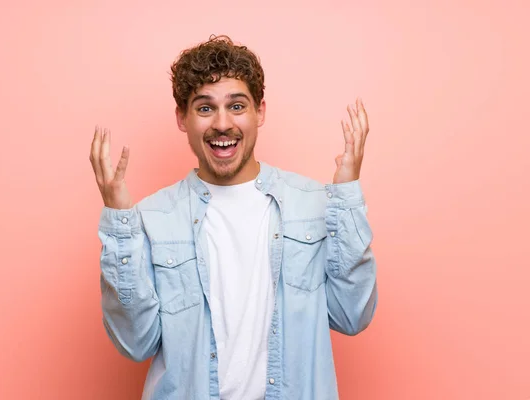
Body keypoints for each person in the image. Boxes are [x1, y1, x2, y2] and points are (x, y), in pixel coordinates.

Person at [90, 35, 378, 400]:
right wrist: (119, 225)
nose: (222, 124)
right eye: (205, 108)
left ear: (260, 111)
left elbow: (352, 315)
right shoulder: (150, 218)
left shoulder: (316, 204)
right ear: (183, 118)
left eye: (237, 106)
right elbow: (136, 343)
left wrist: (347, 196)